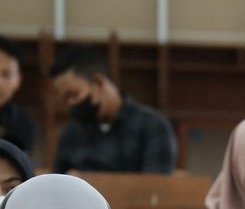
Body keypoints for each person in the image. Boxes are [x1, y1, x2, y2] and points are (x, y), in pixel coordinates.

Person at [49, 45, 177, 173]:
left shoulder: (152, 127)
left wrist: (89, 180)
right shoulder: (71, 134)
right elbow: (58, 185)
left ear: (99, 82)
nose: (70, 103)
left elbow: (156, 187)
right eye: (65, 99)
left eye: (74, 94)